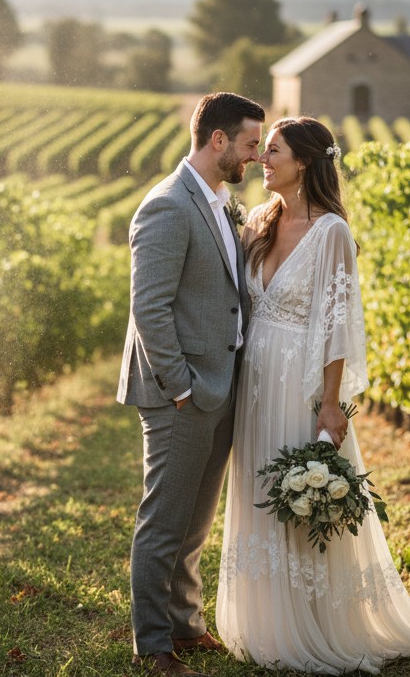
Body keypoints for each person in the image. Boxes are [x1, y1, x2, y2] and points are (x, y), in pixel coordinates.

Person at [216, 116, 410, 674]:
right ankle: (264, 618)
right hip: (255, 383)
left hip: (301, 383)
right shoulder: (259, 220)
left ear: (305, 162)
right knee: (259, 486)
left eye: (273, 152)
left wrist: (329, 403)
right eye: (262, 151)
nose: (262, 161)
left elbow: (338, 324)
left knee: (299, 493)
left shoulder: (331, 231)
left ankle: (315, 622)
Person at [117, 91, 264, 676]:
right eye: (251, 143)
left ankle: (187, 625)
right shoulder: (167, 206)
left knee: (196, 523)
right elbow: (149, 307)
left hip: (218, 384)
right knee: (164, 521)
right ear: (219, 140)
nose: (256, 155)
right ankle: (153, 644)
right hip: (181, 391)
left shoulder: (221, 201)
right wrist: (181, 387)